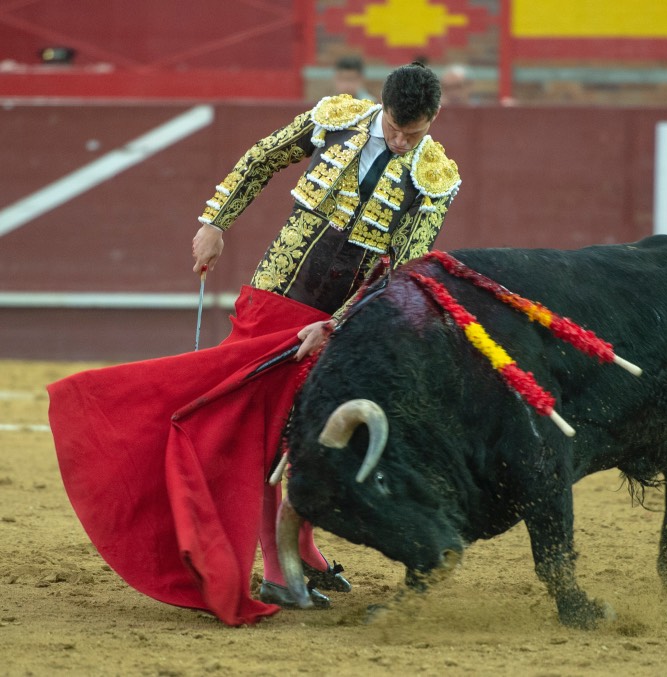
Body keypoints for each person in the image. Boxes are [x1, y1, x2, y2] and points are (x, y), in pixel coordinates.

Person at [48, 62, 460, 626]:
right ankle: (275, 564)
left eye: (413, 133)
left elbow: (396, 269)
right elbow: (262, 157)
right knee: (259, 426)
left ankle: (301, 552)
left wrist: (335, 324)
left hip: (340, 315)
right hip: (277, 294)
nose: (399, 139)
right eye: (394, 126)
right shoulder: (337, 119)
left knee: (309, 431)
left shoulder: (435, 176)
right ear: (381, 106)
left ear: (433, 120)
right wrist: (216, 222)